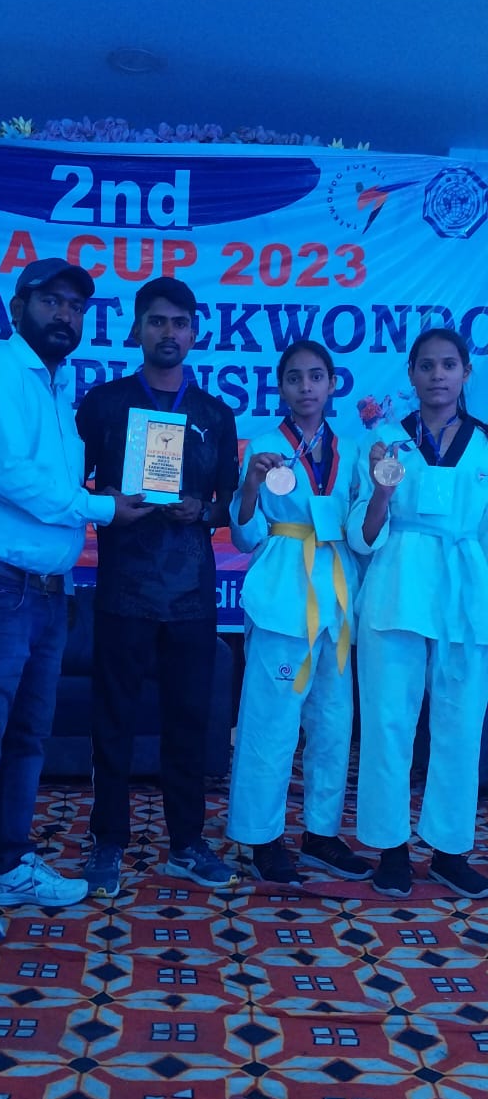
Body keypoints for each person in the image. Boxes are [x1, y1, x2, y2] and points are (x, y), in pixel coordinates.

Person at [0, 257, 149, 944]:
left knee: (27, 739)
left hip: (50, 592)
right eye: (51, 301)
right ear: (17, 306)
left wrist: (108, 495)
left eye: (76, 306)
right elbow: (6, 475)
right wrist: (101, 507)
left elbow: (52, 484)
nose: (65, 315)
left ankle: (10, 864)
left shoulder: (57, 387)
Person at [76, 275, 240, 896]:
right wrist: (106, 500)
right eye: (157, 320)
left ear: (195, 333)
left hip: (192, 597)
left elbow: (229, 507)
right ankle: (107, 842)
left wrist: (201, 510)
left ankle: (187, 844)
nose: (168, 332)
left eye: (180, 322)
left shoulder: (215, 414)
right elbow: (72, 485)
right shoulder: (103, 403)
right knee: (112, 720)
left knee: (188, 721)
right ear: (135, 329)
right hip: (123, 591)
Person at [348, 327, 488, 898]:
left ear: (466, 373)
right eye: (426, 365)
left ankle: (451, 850)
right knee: (387, 722)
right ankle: (391, 849)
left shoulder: (485, 443)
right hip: (396, 588)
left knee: (461, 723)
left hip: (465, 595)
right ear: (410, 374)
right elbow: (361, 535)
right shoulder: (384, 441)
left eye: (448, 365)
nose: (437, 375)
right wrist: (382, 489)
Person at [226, 341, 372, 885]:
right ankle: (260, 836)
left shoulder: (352, 450)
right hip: (283, 595)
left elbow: (360, 528)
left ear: (333, 383)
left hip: (336, 597)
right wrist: (249, 485)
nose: (305, 387)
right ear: (281, 387)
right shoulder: (264, 447)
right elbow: (245, 536)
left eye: (315, 376)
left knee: (333, 723)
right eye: (294, 378)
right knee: (271, 722)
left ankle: (321, 834)